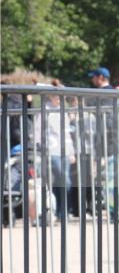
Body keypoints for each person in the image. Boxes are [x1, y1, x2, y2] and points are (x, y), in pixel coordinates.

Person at [33, 92, 76, 222]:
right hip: (52, 150)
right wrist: (38, 147)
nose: (59, 100)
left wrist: (72, 151)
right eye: (57, 97)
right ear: (51, 97)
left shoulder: (64, 111)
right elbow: (37, 130)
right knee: (63, 180)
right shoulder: (44, 110)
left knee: (63, 181)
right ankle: (60, 210)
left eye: (61, 98)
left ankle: (62, 211)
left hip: (65, 151)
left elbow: (67, 133)